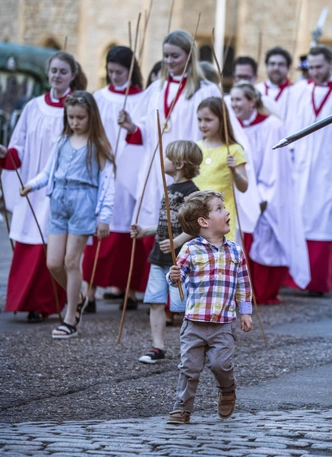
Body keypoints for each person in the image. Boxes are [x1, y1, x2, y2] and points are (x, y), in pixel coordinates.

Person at [0, 51, 87, 323]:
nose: (57, 76)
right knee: (29, 241)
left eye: (63, 71)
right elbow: (21, 142)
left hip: (63, 187)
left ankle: (50, 303)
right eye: (53, 71)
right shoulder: (33, 106)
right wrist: (8, 154)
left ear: (73, 74)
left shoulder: (79, 107)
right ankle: (27, 301)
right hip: (33, 185)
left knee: (53, 250)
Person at [20, 91, 115, 338]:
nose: (74, 122)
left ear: (91, 116)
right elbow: (48, 171)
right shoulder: (61, 141)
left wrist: (104, 216)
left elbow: (107, 183)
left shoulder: (98, 145)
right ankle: (79, 296)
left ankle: (71, 316)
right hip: (58, 202)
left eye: (80, 117)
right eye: (71, 117)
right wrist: (32, 184)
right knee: (53, 262)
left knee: (71, 261)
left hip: (83, 203)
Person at [119, 30, 221, 231]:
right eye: (166, 55)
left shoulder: (205, 90)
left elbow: (215, 130)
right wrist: (131, 126)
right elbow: (144, 132)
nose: (169, 60)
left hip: (188, 167)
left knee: (187, 222)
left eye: (175, 56)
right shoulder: (156, 89)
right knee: (154, 222)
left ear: (189, 56)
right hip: (157, 166)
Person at [166, 190, 253, 424]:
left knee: (220, 364)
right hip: (194, 322)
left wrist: (245, 312)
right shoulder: (190, 250)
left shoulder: (235, 251)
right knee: (189, 367)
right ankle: (182, 408)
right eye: (219, 209)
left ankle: (227, 389)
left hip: (223, 323)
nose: (226, 212)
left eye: (224, 208)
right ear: (204, 222)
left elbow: (243, 284)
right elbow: (178, 277)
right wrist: (173, 275)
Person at [287, 44, 332, 295]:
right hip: (302, 167)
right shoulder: (298, 91)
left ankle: (318, 282)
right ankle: (296, 278)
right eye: (311, 67)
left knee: (324, 222)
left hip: (331, 169)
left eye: (319, 67)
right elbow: (290, 127)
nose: (314, 72)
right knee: (298, 218)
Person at [230, 82, 310, 303]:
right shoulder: (232, 125)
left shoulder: (272, 126)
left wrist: (261, 196)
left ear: (252, 101)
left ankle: (261, 292)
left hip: (266, 190)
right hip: (239, 188)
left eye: (238, 100)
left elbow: (274, 166)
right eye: (232, 100)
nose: (234, 104)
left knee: (265, 238)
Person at [82, 46, 146, 313]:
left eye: (119, 72)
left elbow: (148, 133)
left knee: (128, 235)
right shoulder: (99, 97)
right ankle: (89, 293)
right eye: (110, 71)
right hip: (105, 167)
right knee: (100, 232)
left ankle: (129, 292)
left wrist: (132, 128)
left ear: (131, 70)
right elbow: (89, 129)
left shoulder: (143, 98)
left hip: (131, 172)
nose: (114, 76)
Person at [132, 140, 202, 363]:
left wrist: (178, 241)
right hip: (158, 256)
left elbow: (197, 225)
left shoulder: (192, 193)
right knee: (155, 300)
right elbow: (167, 224)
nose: (164, 161)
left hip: (179, 260)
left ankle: (190, 347)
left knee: (182, 306)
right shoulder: (169, 188)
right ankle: (157, 347)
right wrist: (145, 231)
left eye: (168, 157)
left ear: (179, 164)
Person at [193, 96, 249, 242]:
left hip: (220, 216)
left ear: (222, 119)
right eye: (199, 120)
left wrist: (234, 172)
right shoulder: (195, 148)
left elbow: (244, 187)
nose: (202, 124)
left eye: (208, 120)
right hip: (196, 215)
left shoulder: (234, 149)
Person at [255, 47, 300, 122]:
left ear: (288, 68)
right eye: (272, 64)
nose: (276, 68)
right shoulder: (256, 90)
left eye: (281, 64)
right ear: (266, 66)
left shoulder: (296, 91)